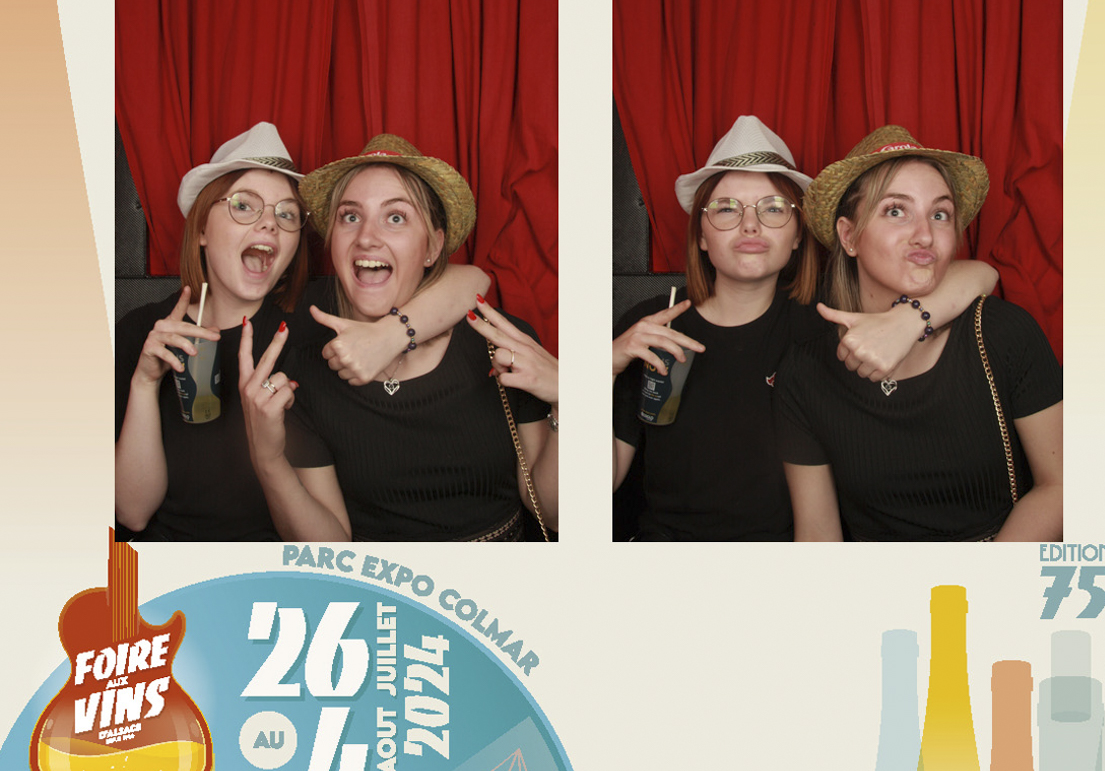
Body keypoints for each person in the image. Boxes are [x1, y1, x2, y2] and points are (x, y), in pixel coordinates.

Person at [611, 117, 997, 542]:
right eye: (726, 208)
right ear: (701, 236)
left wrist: (909, 319)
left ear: (798, 234)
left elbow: (981, 274)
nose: (750, 225)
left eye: (773, 208)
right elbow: (581, 496)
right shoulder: (652, 324)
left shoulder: (826, 321)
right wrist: (602, 370)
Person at [114, 124, 485, 542]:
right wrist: (145, 383)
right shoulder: (144, 331)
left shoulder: (315, 320)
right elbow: (133, 513)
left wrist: (390, 335)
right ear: (201, 228)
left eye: (286, 214)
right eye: (244, 206)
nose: (269, 225)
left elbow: (473, 281)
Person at [239, 135, 559, 541]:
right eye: (350, 217)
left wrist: (567, 402)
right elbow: (330, 550)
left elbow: (554, 514)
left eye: (395, 217)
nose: (367, 237)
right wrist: (268, 459)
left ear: (433, 248)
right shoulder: (304, 368)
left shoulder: (499, 342)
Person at [777, 126, 1063, 542]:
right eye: (896, 210)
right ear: (849, 236)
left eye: (940, 214)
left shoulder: (1003, 334)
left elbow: (1061, 486)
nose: (925, 234)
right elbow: (818, 538)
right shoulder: (805, 373)